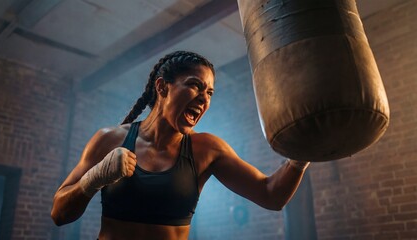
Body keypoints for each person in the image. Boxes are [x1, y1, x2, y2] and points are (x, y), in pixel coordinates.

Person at [51, 51, 310, 240]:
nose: (203, 98)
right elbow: (59, 214)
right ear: (162, 87)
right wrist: (93, 179)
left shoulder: (207, 149)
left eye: (209, 92)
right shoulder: (110, 140)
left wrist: (301, 156)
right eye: (195, 86)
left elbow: (271, 195)